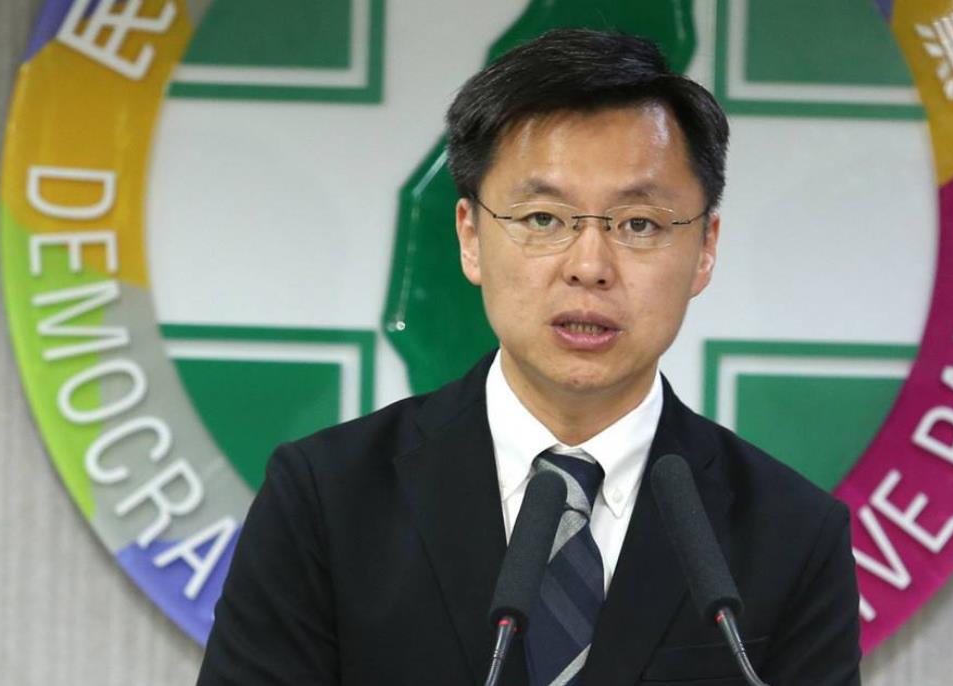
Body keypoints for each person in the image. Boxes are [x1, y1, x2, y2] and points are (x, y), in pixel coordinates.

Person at [197, 28, 862, 686]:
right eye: (544, 219)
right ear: (470, 237)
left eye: (639, 224)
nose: (589, 266)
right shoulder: (326, 501)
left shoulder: (793, 535)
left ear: (705, 248)